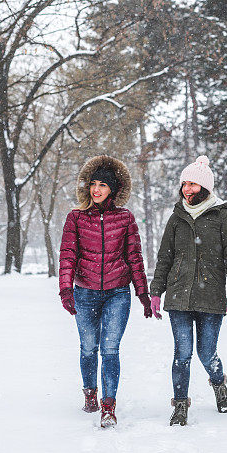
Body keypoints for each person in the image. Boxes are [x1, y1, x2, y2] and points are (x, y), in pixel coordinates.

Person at [149, 155, 227, 426]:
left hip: (211, 297)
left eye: (192, 184)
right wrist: (157, 291)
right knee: (182, 353)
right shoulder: (176, 218)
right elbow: (165, 257)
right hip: (178, 297)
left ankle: (218, 384)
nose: (187, 189)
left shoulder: (222, 217)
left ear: (205, 187)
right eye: (184, 184)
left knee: (206, 353)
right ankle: (180, 405)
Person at [58, 155, 152, 428]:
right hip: (84, 292)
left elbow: (135, 257)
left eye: (103, 185)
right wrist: (66, 289)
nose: (96, 189)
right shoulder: (75, 218)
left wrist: (142, 294)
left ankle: (108, 407)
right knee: (89, 348)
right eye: (93, 184)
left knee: (110, 350)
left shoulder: (125, 218)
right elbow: (67, 255)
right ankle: (90, 393)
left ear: (113, 189)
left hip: (117, 293)